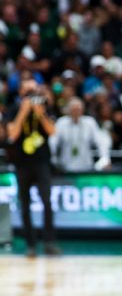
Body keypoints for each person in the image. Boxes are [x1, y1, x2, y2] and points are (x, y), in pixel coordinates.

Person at [6, 72, 60, 256]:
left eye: (33, 91)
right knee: (25, 204)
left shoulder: (44, 107)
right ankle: (30, 245)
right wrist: (23, 111)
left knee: (47, 202)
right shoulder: (14, 109)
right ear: (20, 93)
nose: (30, 96)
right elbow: (12, 135)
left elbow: (53, 132)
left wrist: (40, 113)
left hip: (42, 162)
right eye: (27, 92)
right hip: (21, 163)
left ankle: (49, 242)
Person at [48, 97, 111, 172]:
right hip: (65, 167)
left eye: (78, 110)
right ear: (69, 110)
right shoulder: (61, 123)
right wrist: (52, 158)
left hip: (86, 167)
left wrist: (104, 158)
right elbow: (53, 142)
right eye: (74, 110)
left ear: (82, 110)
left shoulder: (90, 122)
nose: (76, 112)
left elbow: (101, 141)